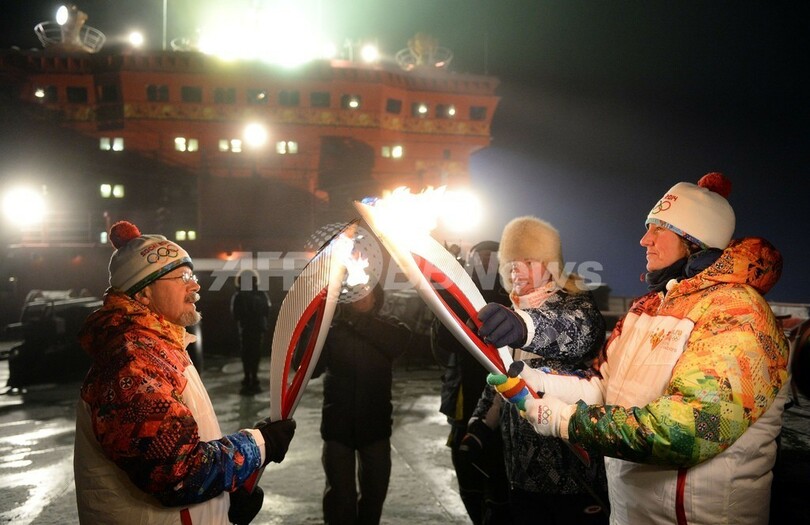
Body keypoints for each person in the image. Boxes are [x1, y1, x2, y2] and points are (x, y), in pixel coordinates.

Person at [482, 173, 790, 525]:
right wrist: (535, 379)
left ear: (694, 241)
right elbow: (602, 387)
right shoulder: (646, 309)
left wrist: (563, 420)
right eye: (647, 228)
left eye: (659, 229)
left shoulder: (738, 313)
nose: (645, 239)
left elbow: (684, 432)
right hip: (628, 514)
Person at [74, 220, 296, 525]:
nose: (195, 286)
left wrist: (222, 499)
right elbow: (177, 473)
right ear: (143, 293)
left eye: (192, 275)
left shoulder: (160, 346)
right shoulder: (132, 362)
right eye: (182, 277)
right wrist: (259, 445)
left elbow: (184, 447)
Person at [470, 217, 608, 525]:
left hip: (572, 476)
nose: (516, 270)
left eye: (528, 261)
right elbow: (502, 375)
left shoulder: (577, 306)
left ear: (550, 265)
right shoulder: (513, 312)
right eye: (511, 263)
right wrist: (481, 422)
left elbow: (574, 334)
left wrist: (524, 327)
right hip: (520, 473)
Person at [312, 283, 411, 524]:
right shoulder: (332, 331)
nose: (362, 297)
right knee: (339, 500)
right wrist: (312, 326)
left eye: (367, 290)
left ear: (376, 296)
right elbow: (310, 369)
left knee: (374, 495)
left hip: (375, 428)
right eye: (355, 292)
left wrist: (353, 320)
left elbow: (399, 342)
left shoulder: (389, 327)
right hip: (338, 428)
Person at [430, 240, 512, 524]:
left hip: (503, 405)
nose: (484, 264)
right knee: (466, 472)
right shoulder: (458, 293)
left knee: (499, 483)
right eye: (479, 258)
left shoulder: (510, 295)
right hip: (463, 400)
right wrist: (444, 290)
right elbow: (443, 342)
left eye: (491, 259)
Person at [231, 271, 271, 395]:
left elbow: (235, 314)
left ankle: (248, 376)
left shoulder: (239, 295)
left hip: (246, 328)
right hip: (256, 328)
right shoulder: (260, 294)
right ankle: (253, 377)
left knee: (247, 354)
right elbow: (266, 310)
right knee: (254, 353)